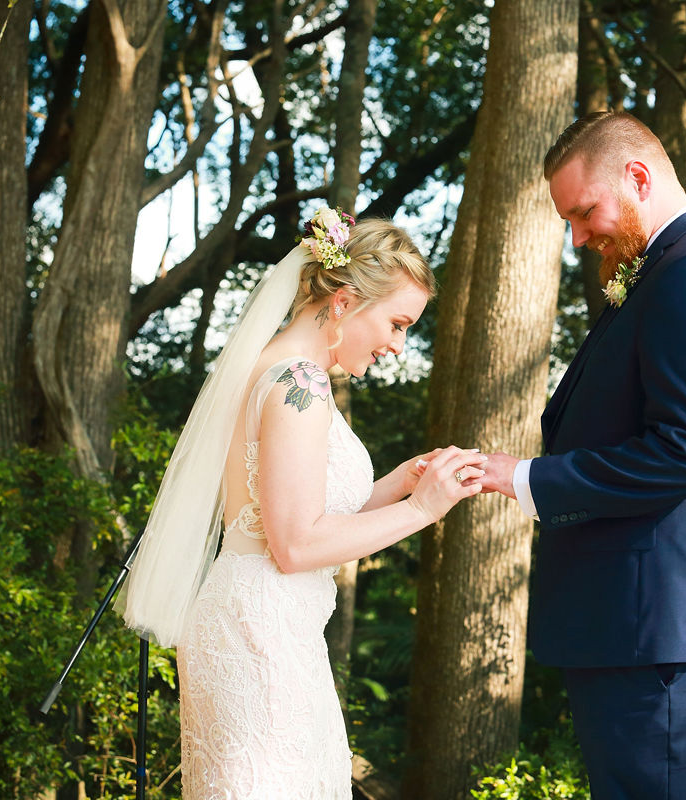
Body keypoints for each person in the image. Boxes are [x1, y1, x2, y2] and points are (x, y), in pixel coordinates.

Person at [119, 210, 486, 799]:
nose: (398, 345)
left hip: (260, 618)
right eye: (396, 323)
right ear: (343, 300)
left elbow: (288, 515)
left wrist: (398, 485)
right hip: (260, 629)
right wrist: (423, 511)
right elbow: (294, 545)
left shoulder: (279, 369)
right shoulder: (302, 385)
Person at [480, 111, 686, 799]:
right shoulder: (661, 271)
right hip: (641, 627)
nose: (580, 237)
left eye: (584, 213)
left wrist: (527, 478)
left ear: (638, 177)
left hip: (666, 629)